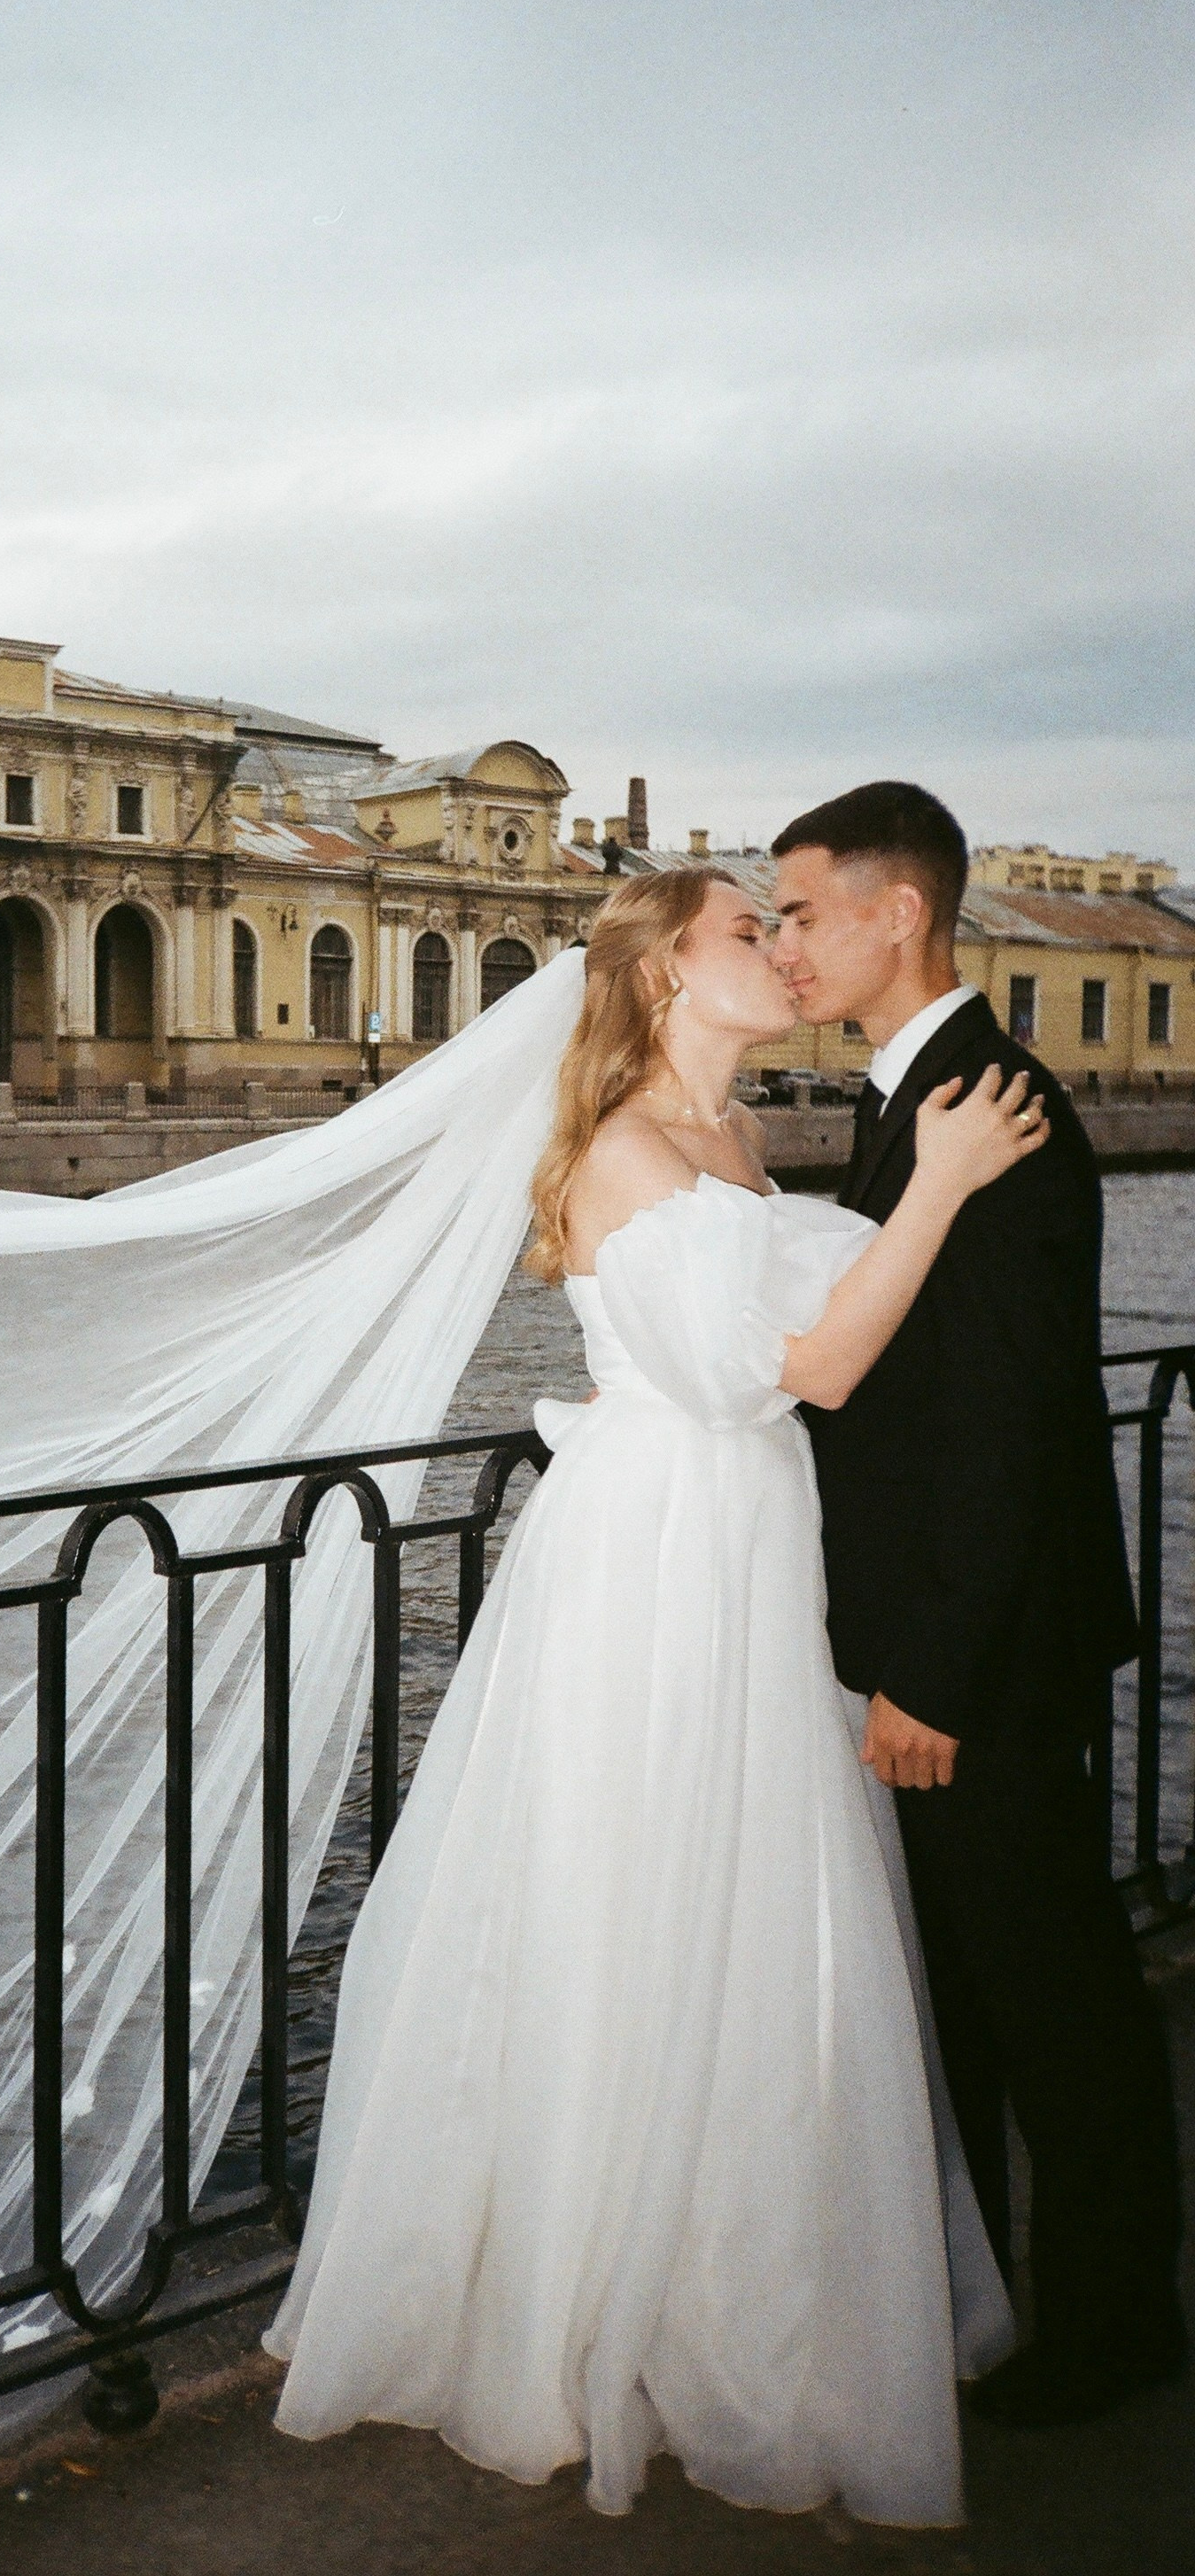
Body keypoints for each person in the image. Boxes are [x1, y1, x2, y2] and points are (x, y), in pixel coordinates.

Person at [265, 866, 1042, 2525]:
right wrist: (945, 1185)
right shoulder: (626, 1147)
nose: (777, 949)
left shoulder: (738, 1143)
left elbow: (830, 1326)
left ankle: (716, 2282)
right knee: (632, 1894)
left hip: (748, 1545)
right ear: (665, 979)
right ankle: (576, 2298)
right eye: (744, 933)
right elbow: (813, 1364)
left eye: (780, 925)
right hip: (657, 1559)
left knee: (747, 1906)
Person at [770, 782, 1184, 2429]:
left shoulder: (983, 1103)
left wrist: (929, 1671)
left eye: (802, 911)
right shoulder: (923, 1095)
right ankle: (1002, 2303)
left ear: (899, 914)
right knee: (977, 1993)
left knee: (1052, 1997)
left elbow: (1008, 1422)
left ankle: (1115, 2325)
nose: (786, 941)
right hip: (962, 1637)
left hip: (980, 1656)